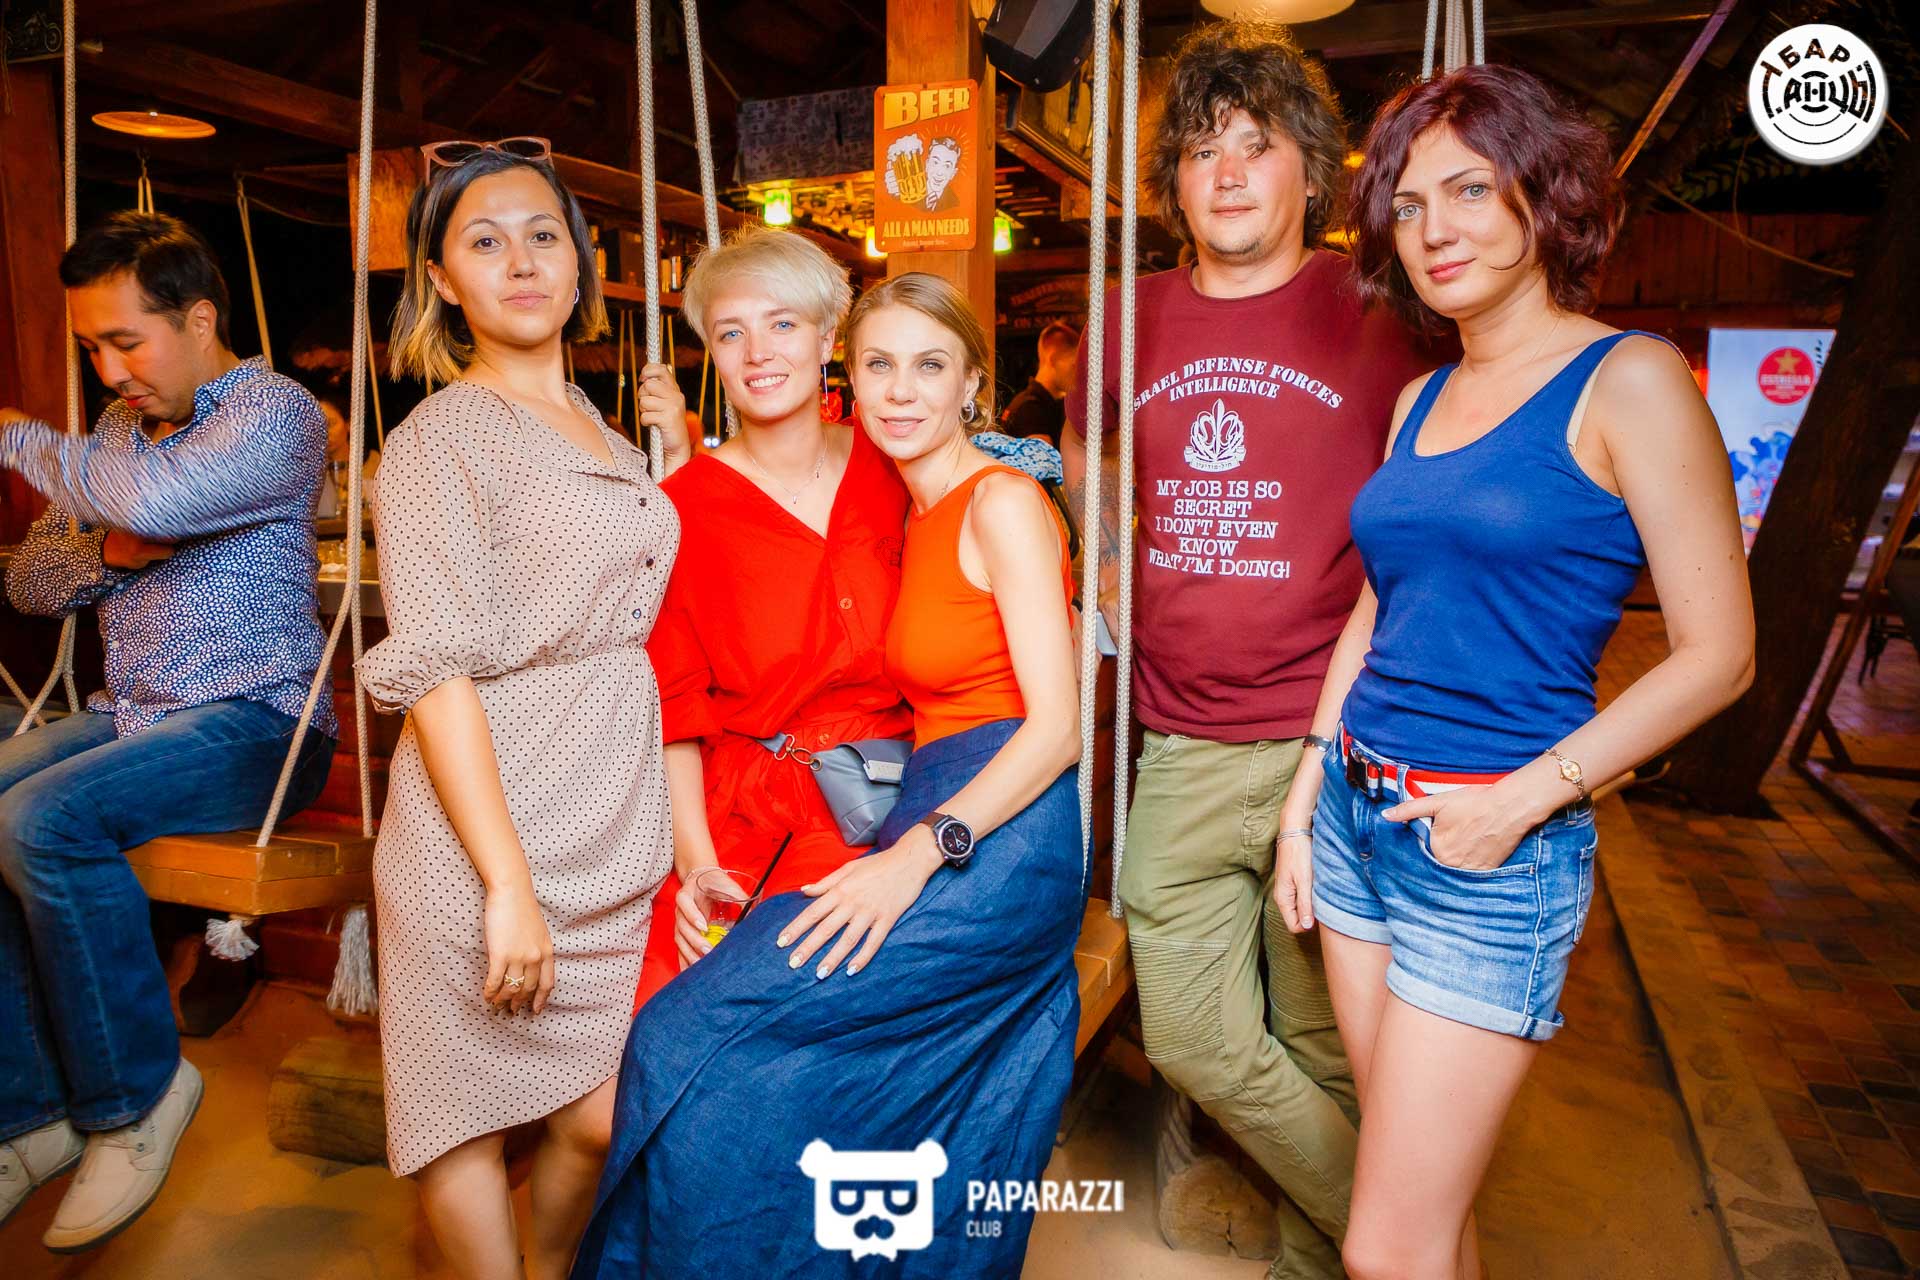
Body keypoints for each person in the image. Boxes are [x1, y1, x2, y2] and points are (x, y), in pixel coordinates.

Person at [1268, 66, 1754, 1280]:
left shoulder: (1629, 379)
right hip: (1357, 816)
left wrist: (1523, 799)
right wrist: (1306, 789)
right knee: (1424, 1206)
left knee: (1385, 1245)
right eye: (1408, 204)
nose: (1434, 228)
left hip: (1490, 847)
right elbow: (1377, 606)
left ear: (1544, 194)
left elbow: (1721, 654)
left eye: (1470, 189)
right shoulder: (1420, 396)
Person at [575, 272, 1083, 1278]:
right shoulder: (917, 503)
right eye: (881, 365)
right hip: (926, 804)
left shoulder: (1000, 500)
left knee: (697, 1047)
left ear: (973, 382)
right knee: (714, 1056)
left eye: (929, 366)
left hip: (987, 835)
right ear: (852, 372)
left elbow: (1059, 727)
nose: (900, 390)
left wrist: (913, 858)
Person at [1059, 21, 1430, 1277]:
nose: (1226, 173)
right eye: (1201, 149)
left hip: (1338, 739)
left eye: (1256, 146)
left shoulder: (1380, 310)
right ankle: (1398, 1236)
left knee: (1326, 1040)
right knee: (1194, 1035)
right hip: (1179, 736)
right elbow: (1089, 444)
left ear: (1311, 171)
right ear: (1171, 181)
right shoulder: (1127, 312)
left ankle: (1333, 1258)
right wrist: (1106, 546)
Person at [357, 136, 686, 1280]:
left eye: (545, 235)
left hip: (608, 811)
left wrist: (680, 454)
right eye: (485, 242)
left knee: (597, 1109)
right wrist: (505, 883)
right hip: (482, 825)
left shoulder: (602, 423)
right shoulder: (436, 440)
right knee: (460, 1112)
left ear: (581, 259)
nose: (523, 261)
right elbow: (436, 671)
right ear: (442, 280)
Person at [0, 211, 335, 1252]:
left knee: (41, 820)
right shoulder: (112, 437)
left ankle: (138, 1096)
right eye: (91, 347)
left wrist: (19, 437)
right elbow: (30, 580)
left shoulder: (276, 412)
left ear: (198, 319)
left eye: (126, 341)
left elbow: (165, 500)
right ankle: (31, 1115)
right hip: (133, 714)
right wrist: (111, 551)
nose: (109, 371)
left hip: (259, 721)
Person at [631, 226, 914, 1012]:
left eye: (782, 323)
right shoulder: (680, 509)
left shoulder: (895, 465)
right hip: (755, 815)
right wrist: (697, 868)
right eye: (731, 333)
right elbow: (676, 707)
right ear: (712, 355)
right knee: (686, 1021)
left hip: (903, 794)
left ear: (827, 338)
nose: (757, 352)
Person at [999, 319, 1080, 447]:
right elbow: (1045, 460)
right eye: (1074, 365)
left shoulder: (1044, 404)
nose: (1078, 373)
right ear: (1052, 358)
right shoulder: (1030, 409)